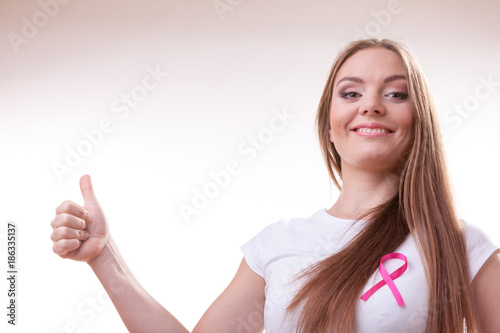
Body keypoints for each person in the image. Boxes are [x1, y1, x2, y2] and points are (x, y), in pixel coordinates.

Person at [50, 39, 500, 332]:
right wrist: (105, 259)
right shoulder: (277, 244)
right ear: (329, 124)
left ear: (417, 121)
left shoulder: (460, 246)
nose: (371, 106)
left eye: (396, 93)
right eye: (350, 93)